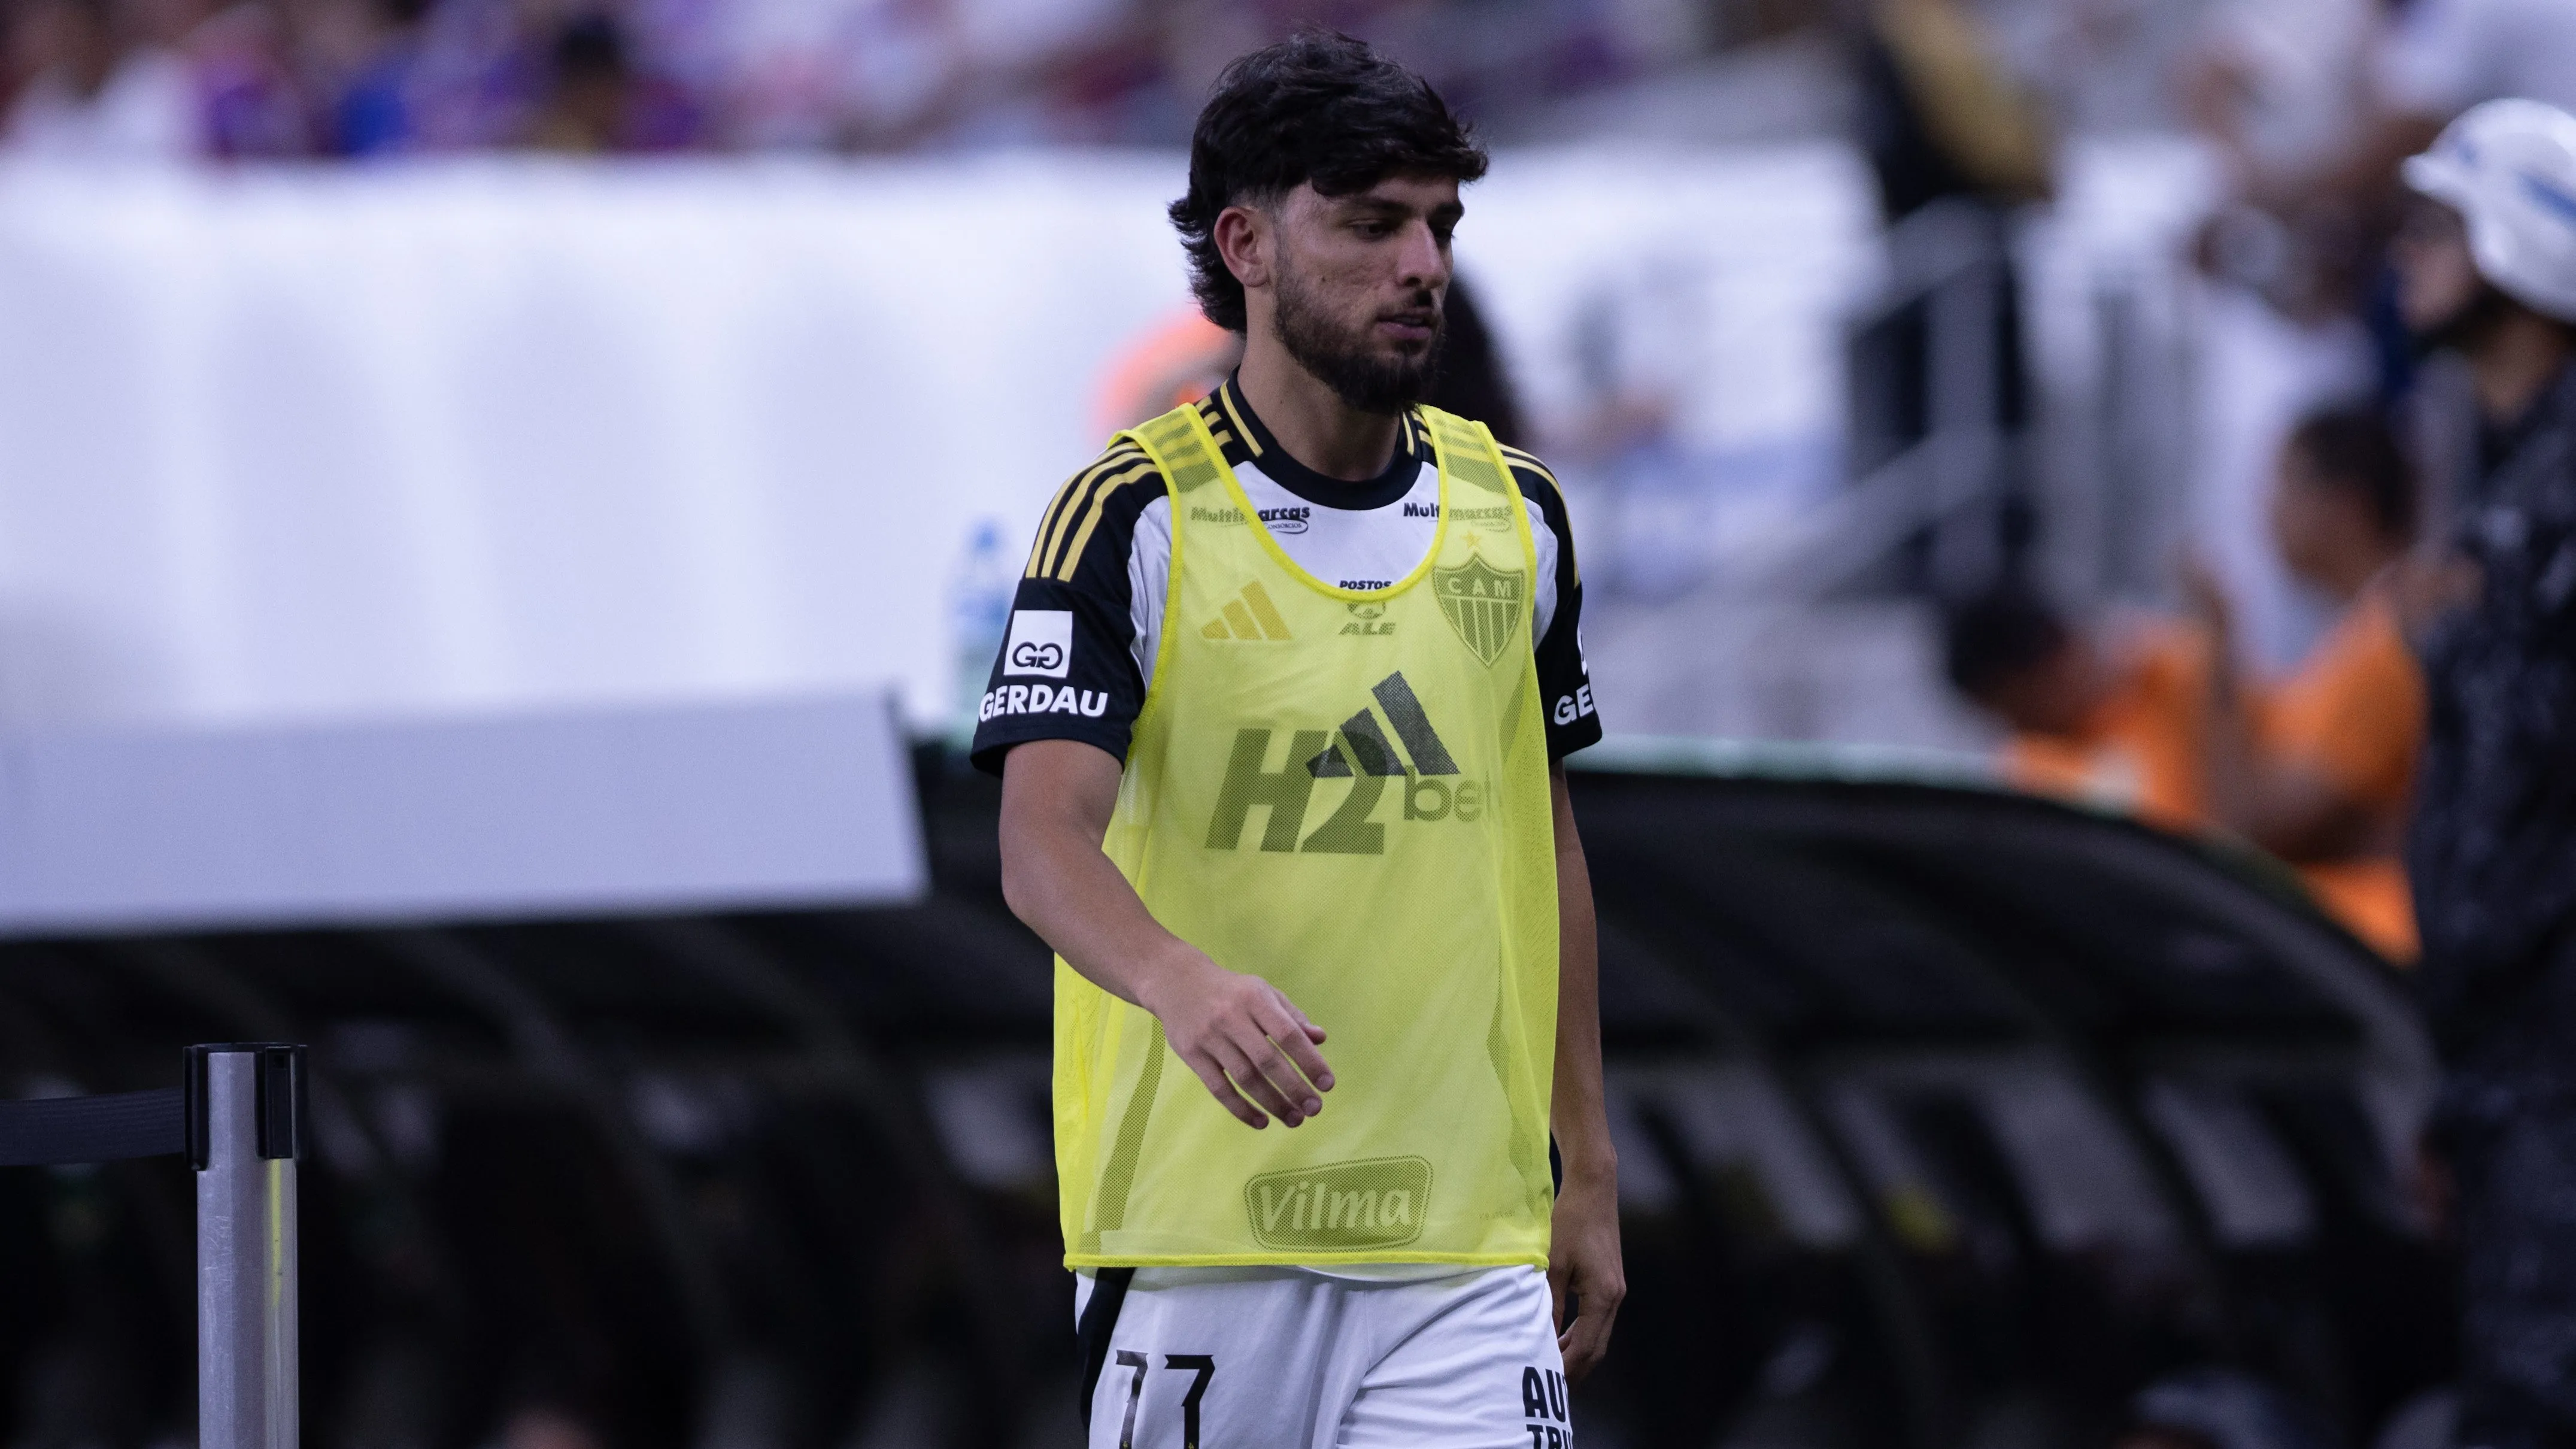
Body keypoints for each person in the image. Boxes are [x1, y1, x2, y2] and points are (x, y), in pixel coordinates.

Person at [970, 31, 1621, 1449]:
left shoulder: (1517, 517)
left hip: (1463, 1247)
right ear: (1246, 242)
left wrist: (1586, 1166)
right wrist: (1180, 980)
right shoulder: (1127, 515)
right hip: (1204, 1240)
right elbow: (1037, 839)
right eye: (1371, 222)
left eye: (1438, 226)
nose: (1422, 265)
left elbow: (1544, 843)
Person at [2389, 98, 2576, 1449]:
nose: (2408, 253)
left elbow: (2519, 805)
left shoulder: (2549, 502)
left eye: (2440, 223)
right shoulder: (2503, 481)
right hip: (2513, 1059)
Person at [2187, 408, 2426, 960]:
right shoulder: (2356, 637)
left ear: (2343, 508)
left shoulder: (2383, 650)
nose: (2265, 511)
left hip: (2377, 962)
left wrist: (2217, 648)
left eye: (2283, 485)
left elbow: (2252, 829)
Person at [1944, 589, 2214, 835]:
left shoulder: (2168, 661)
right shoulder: (2033, 772)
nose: (2017, 727)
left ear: (2052, 664)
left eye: (2016, 709)